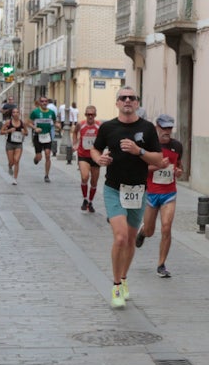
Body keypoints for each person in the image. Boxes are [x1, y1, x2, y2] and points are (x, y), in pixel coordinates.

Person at [93, 87, 166, 308]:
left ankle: (124, 278)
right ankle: (116, 285)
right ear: (116, 103)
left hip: (138, 190)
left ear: (136, 103)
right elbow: (95, 151)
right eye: (122, 98)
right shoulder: (107, 127)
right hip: (114, 188)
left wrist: (139, 151)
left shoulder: (147, 128)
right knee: (120, 237)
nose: (127, 101)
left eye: (131, 98)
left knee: (132, 239)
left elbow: (158, 158)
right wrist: (99, 160)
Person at [135, 113, 184, 277]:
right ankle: (142, 232)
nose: (167, 131)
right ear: (157, 127)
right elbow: (140, 169)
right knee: (150, 231)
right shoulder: (149, 146)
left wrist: (178, 172)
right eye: (164, 127)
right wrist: (157, 166)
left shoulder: (177, 146)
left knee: (166, 227)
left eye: (169, 128)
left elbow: (180, 167)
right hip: (151, 193)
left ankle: (161, 264)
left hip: (169, 193)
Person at [72, 104, 103, 213]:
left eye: (92, 115)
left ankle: (90, 202)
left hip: (95, 156)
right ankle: (85, 199)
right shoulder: (81, 124)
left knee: (94, 182)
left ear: (95, 115)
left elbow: (104, 138)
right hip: (83, 155)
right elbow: (74, 132)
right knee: (85, 177)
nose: (90, 117)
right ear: (85, 115)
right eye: (88, 114)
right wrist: (75, 143)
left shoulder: (100, 126)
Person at [28, 96, 59, 182]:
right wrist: (35, 128)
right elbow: (28, 123)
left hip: (47, 136)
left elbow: (55, 122)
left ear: (47, 103)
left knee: (48, 154)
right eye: (42, 101)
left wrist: (57, 125)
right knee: (39, 157)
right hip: (38, 136)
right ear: (40, 102)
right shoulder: (35, 112)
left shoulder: (51, 112)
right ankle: (36, 159)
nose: (44, 103)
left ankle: (46, 175)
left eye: (46, 101)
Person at [0, 101, 29, 184]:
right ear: (12, 114)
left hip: (19, 144)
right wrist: (8, 130)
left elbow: (27, 133)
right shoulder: (8, 122)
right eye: (14, 112)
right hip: (10, 144)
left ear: (19, 113)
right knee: (11, 161)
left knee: (16, 160)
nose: (15, 114)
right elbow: (1, 132)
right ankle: (9, 166)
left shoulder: (22, 123)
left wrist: (24, 132)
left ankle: (15, 179)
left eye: (17, 112)